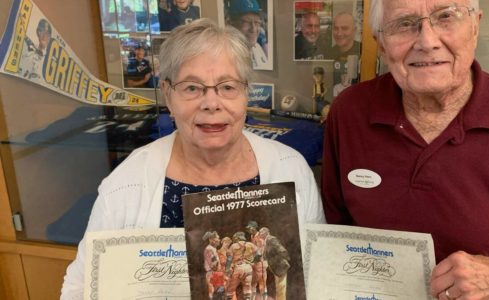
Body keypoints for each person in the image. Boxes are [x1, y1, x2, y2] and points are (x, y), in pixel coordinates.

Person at [321, 1, 489, 299]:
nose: (427, 42)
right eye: (404, 24)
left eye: (446, 17)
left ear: (475, 27)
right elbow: (335, 226)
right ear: (382, 46)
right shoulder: (349, 112)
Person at [61, 18, 325, 299]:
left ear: (246, 93)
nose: (211, 103)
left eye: (227, 87)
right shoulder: (126, 184)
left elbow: (316, 272)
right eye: (191, 88)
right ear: (168, 95)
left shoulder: (291, 169)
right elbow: (80, 287)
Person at [227, 0, 270, 69]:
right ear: (231, 24)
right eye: (246, 22)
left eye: (256, 22)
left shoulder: (257, 48)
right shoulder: (226, 56)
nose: (253, 29)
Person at [203, 231, 221, 300]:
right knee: (213, 291)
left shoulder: (213, 248)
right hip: (212, 272)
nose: (219, 240)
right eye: (217, 238)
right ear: (211, 240)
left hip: (216, 272)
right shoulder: (209, 249)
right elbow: (213, 264)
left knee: (218, 291)